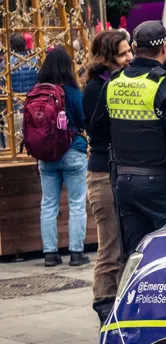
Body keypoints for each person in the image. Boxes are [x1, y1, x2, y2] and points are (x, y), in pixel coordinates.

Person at [89, 21, 166, 257]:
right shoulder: (165, 86)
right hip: (160, 182)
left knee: (137, 254)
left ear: (134, 47)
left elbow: (96, 129)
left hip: (124, 179)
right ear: (164, 48)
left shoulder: (113, 82)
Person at [83, 30, 133, 323]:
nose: (129, 58)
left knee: (124, 245)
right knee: (110, 247)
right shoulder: (96, 87)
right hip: (103, 173)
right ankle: (104, 304)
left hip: (121, 170)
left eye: (129, 51)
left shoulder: (120, 82)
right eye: (122, 53)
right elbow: (98, 131)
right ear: (107, 57)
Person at [36, 47, 89, 267]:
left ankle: (50, 254)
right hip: (73, 150)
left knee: (48, 203)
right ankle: (76, 253)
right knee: (76, 203)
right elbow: (84, 120)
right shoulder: (73, 92)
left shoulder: (37, 92)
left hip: (46, 154)